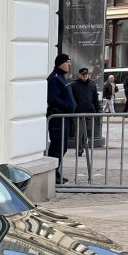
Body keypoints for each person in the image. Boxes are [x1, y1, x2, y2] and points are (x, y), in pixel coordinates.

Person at [46, 52, 75, 184]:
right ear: (60, 64)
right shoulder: (55, 78)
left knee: (62, 147)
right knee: (57, 146)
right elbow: (53, 98)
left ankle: (56, 172)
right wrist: (66, 106)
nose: (69, 64)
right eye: (67, 62)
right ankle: (53, 174)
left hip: (64, 117)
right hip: (58, 117)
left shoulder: (62, 77)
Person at [71, 67, 100, 154]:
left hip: (89, 111)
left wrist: (98, 110)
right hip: (78, 112)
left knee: (88, 129)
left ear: (89, 75)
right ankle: (79, 149)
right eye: (83, 75)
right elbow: (71, 99)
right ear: (79, 75)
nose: (85, 76)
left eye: (86, 74)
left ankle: (83, 144)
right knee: (79, 131)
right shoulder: (74, 85)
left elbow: (95, 98)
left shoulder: (92, 84)